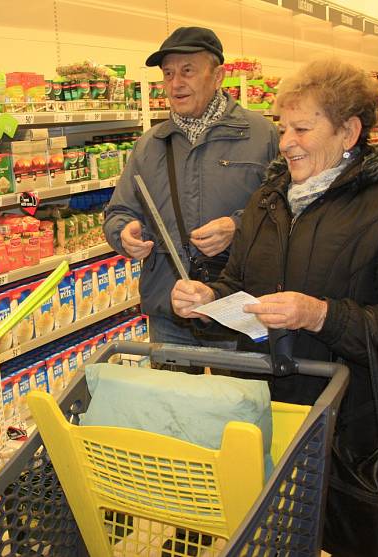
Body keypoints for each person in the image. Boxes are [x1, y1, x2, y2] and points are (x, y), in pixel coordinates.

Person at [171, 59, 378, 555]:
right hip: (264, 416)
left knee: (354, 539)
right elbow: (239, 285)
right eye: (283, 127)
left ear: (348, 132)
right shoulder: (267, 200)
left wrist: (321, 315)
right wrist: (206, 300)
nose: (285, 142)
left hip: (350, 424)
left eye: (301, 128)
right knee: (278, 537)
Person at [103, 26, 279, 348]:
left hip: (237, 307)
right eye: (168, 74)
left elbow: (286, 210)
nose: (175, 83)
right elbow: (119, 210)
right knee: (173, 399)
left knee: (237, 398)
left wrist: (236, 226)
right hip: (168, 308)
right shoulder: (149, 145)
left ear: (218, 76)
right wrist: (124, 232)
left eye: (187, 71)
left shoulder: (261, 135)